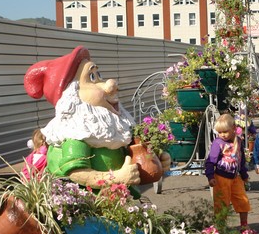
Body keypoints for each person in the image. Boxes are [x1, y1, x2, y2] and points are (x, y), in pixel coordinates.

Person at [25, 46, 162, 189]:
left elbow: (131, 156)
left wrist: (155, 160)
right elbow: (77, 173)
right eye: (92, 77)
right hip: (83, 204)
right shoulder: (76, 132)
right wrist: (117, 178)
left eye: (99, 75)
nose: (111, 86)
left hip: (114, 200)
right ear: (73, 94)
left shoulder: (110, 131)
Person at [205, 113, 251, 231]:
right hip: (221, 178)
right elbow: (210, 161)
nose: (222, 135)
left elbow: (241, 161)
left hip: (235, 177)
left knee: (242, 200)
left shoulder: (239, 141)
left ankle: (244, 225)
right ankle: (220, 228)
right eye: (220, 132)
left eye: (225, 131)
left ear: (234, 128)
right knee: (221, 203)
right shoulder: (218, 143)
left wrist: (244, 175)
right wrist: (210, 176)